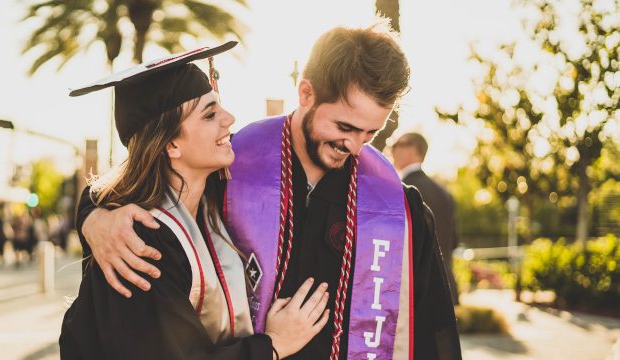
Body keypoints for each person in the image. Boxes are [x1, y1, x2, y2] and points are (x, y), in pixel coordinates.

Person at [78, 22, 462, 359]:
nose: (357, 147)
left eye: (371, 133)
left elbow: (434, 332)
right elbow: (139, 188)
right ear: (306, 93)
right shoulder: (227, 171)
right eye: (345, 127)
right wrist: (94, 216)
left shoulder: (397, 208)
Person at [59, 42, 329, 359]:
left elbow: (100, 194)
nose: (229, 118)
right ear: (171, 144)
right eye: (210, 114)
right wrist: (272, 345)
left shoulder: (210, 202)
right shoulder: (139, 245)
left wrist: (91, 214)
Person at [391, 133, 460, 305]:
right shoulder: (444, 193)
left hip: (411, 293)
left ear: (414, 150)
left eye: (397, 144)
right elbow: (454, 241)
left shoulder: (400, 190)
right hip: (443, 289)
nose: (392, 149)